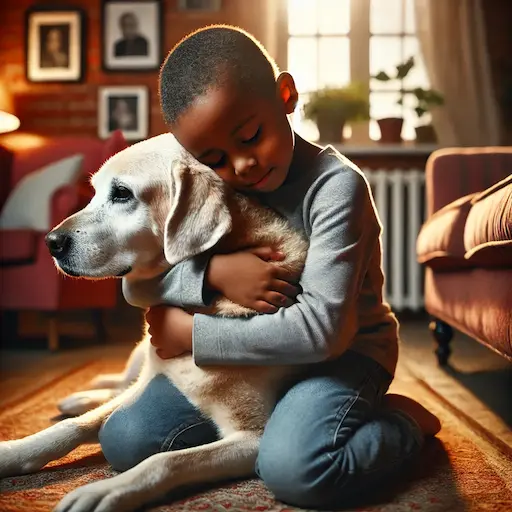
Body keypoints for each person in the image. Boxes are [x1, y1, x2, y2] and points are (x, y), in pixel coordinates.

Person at [99, 25, 441, 509]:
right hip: (256, 367)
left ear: (286, 94)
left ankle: (403, 423)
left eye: (251, 135)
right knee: (126, 442)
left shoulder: (337, 189)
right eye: (215, 158)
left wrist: (191, 334)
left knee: (296, 472)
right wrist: (212, 275)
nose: (241, 165)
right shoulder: (218, 184)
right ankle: (284, 424)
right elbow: (138, 285)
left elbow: (323, 333)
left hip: (341, 358)